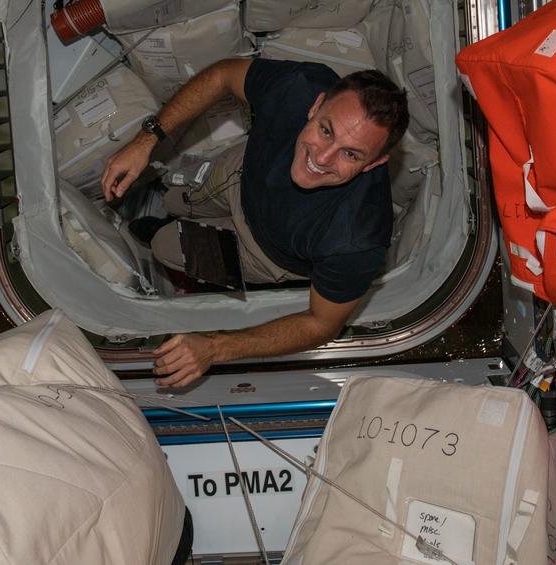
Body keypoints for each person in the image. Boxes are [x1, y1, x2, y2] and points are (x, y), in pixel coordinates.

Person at [100, 57, 409, 389]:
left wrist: (215, 348)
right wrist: (147, 140)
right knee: (174, 198)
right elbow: (222, 75)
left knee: (164, 245)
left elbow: (321, 325)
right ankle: (173, 214)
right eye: (325, 130)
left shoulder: (358, 238)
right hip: (240, 177)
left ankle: (167, 232)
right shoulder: (299, 87)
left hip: (262, 252)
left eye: (350, 154)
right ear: (316, 104)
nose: (321, 159)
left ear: (375, 162)